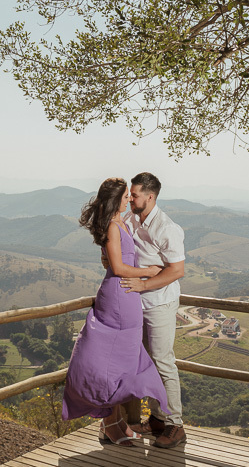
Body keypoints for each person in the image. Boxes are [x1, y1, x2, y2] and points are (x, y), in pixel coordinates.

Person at [62, 177, 170, 446]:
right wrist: (149, 272)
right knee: (113, 363)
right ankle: (111, 423)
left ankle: (115, 423)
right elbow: (119, 268)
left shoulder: (122, 222)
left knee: (124, 362)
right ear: (116, 199)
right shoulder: (112, 225)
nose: (129, 199)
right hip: (118, 296)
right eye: (125, 196)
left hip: (129, 297)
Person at [119, 172, 186, 449]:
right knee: (140, 363)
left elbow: (177, 270)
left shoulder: (167, 228)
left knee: (162, 361)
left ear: (150, 196)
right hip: (136, 303)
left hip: (158, 303)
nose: (130, 199)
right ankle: (156, 420)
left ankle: (175, 424)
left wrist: (144, 284)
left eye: (134, 195)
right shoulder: (130, 219)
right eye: (130, 194)